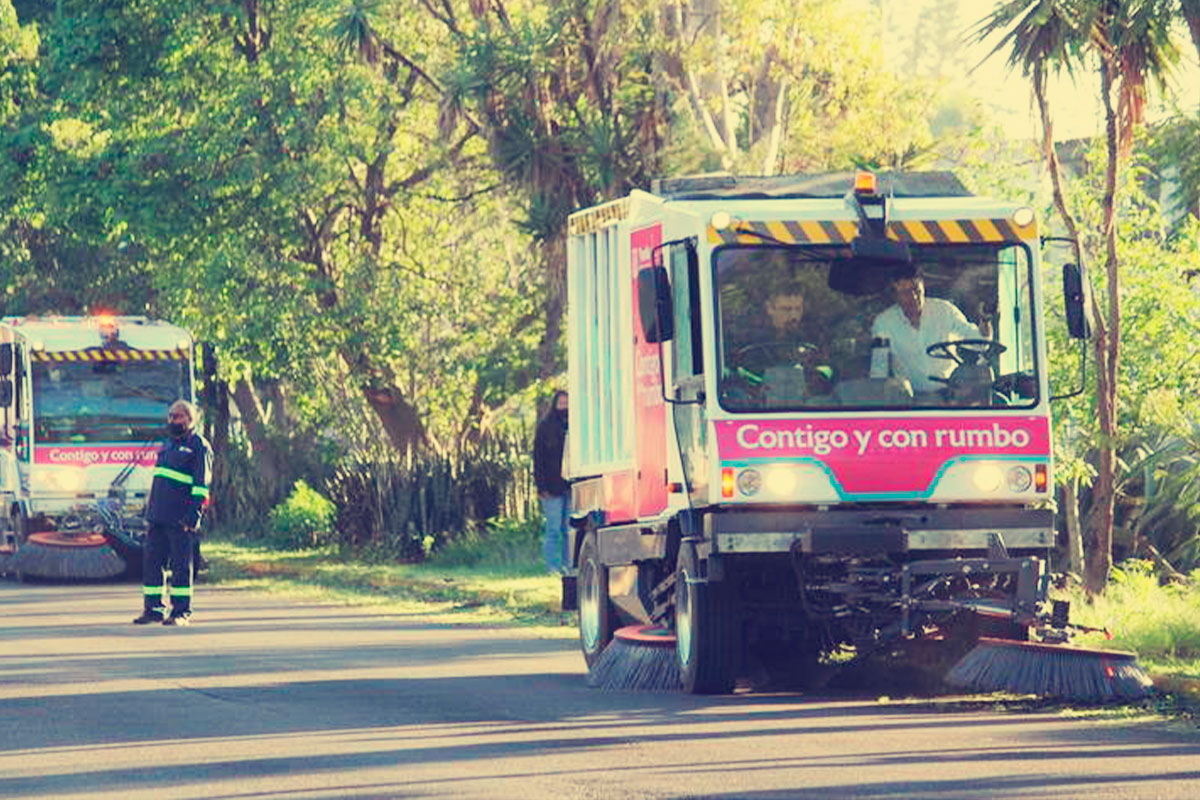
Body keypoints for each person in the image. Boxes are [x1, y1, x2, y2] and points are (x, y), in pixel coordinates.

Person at [133, 399, 212, 626]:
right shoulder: (167, 445)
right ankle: (153, 610)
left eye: (178, 416)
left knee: (180, 567)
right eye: (170, 416)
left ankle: (181, 613)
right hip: (157, 516)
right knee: (152, 565)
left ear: (190, 419)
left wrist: (193, 516)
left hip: (181, 519)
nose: (173, 420)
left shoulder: (199, 446)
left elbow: (201, 486)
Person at [871, 267, 992, 395]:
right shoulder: (883, 323)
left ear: (923, 288)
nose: (913, 297)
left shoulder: (945, 311)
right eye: (905, 292)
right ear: (895, 295)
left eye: (916, 290)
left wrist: (985, 319)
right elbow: (879, 369)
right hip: (910, 399)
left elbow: (980, 344)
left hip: (952, 394)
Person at [533, 390, 570, 575]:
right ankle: (552, 567)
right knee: (553, 529)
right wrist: (541, 487)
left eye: (567, 403)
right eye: (561, 403)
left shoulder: (573, 426)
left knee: (569, 529)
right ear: (554, 404)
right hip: (551, 487)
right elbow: (538, 459)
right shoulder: (545, 427)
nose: (564, 407)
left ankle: (568, 565)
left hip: (570, 485)